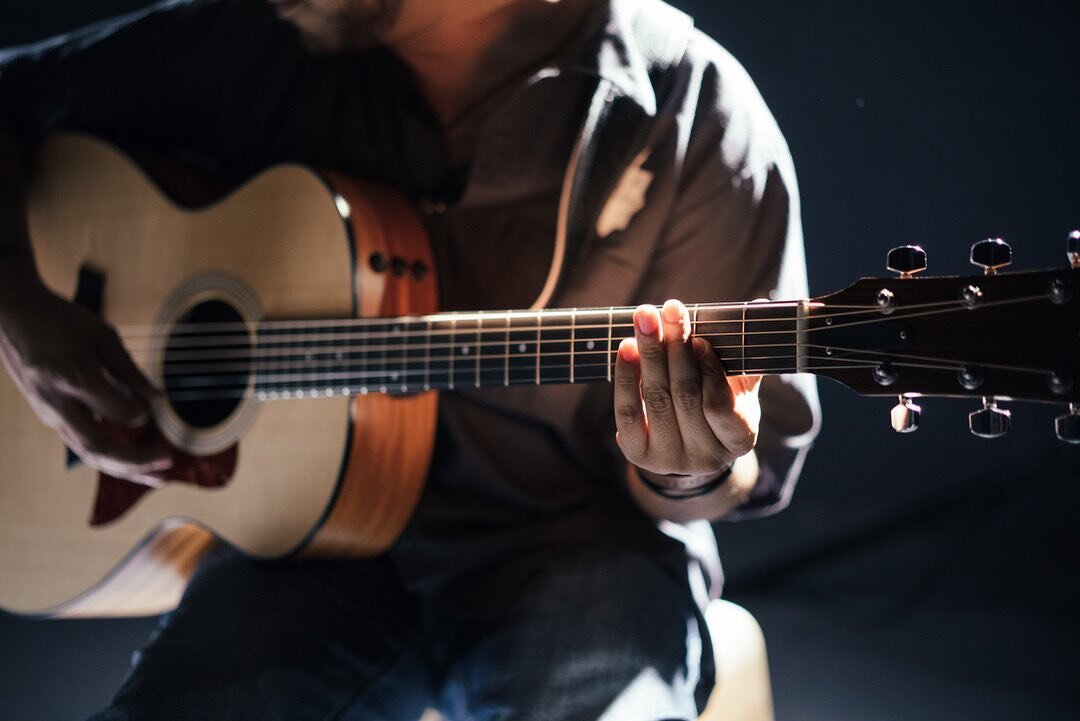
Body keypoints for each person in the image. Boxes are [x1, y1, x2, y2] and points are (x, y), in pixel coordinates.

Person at [0, 0, 819, 719]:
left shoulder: (694, 111)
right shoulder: (259, 38)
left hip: (579, 547)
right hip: (306, 554)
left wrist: (688, 464)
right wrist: (22, 308)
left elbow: (736, 472)